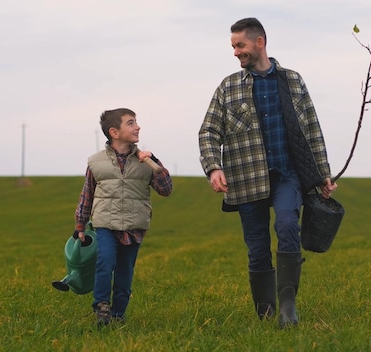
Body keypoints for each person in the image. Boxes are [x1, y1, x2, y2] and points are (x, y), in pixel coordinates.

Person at [198, 17, 337, 328]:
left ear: (259, 42)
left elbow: (312, 128)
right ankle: (265, 312)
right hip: (245, 178)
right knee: (257, 246)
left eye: (240, 45)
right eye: (233, 46)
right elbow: (208, 131)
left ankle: (288, 306)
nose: (236, 52)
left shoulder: (293, 80)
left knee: (288, 225)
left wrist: (322, 174)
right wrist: (214, 168)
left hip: (287, 174)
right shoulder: (228, 87)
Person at [75, 107, 173, 325]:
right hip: (105, 223)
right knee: (105, 261)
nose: (137, 126)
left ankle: (118, 315)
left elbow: (166, 190)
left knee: (124, 271)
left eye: (136, 122)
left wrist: (155, 162)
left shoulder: (145, 160)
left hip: (134, 224)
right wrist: (80, 225)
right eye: (130, 122)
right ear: (114, 132)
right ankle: (101, 306)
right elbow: (87, 194)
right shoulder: (95, 162)